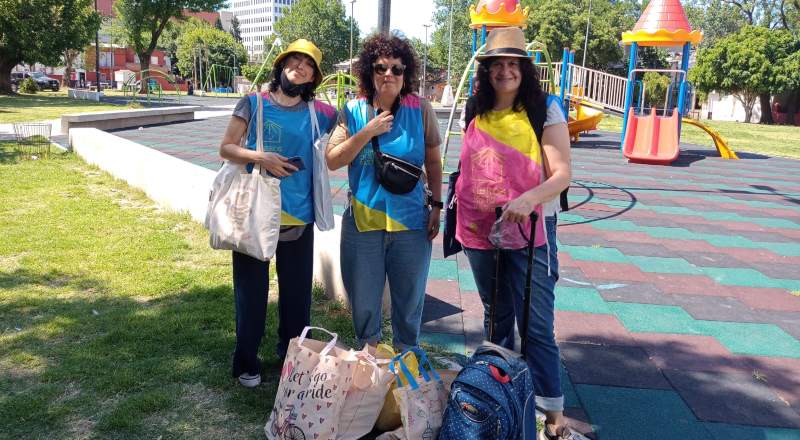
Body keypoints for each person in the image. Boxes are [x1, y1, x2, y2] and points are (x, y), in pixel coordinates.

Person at [454, 28, 578, 440]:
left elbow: (561, 175)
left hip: (530, 229)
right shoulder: (475, 108)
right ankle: (500, 399)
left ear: (524, 69)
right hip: (481, 229)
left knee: (536, 323)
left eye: (513, 64)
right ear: (487, 72)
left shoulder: (545, 109)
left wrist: (528, 199)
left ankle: (551, 412)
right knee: (497, 316)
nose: (505, 71)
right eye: (497, 65)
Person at [218, 39, 337, 388]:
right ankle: (246, 362)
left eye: (307, 65)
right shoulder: (253, 103)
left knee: (297, 299)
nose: (299, 67)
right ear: (281, 65)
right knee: (250, 294)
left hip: (299, 218)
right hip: (255, 213)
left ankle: (291, 358)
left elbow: (348, 129)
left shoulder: (323, 113)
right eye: (293, 61)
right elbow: (226, 148)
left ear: (314, 76)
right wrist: (262, 158)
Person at [326, 34, 443, 350]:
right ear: (369, 71)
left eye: (396, 68)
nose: (388, 74)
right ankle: (369, 362)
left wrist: (436, 205)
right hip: (363, 225)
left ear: (406, 74)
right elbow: (333, 159)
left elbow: (433, 160)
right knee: (364, 301)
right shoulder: (352, 110)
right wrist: (367, 132)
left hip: (410, 223)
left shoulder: (420, 110)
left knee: (410, 299)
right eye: (380, 68)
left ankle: (407, 362)